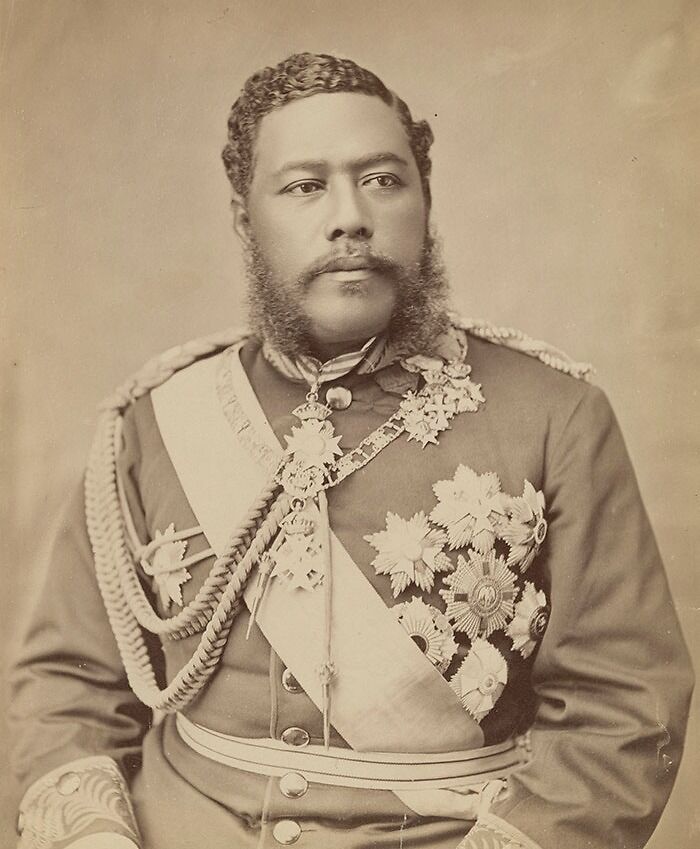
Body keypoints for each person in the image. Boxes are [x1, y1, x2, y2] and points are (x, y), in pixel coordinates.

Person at [10, 52, 693, 849]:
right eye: (305, 186)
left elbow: (623, 711)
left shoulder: (556, 415)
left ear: (425, 202)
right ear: (244, 218)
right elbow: (70, 688)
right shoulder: (153, 421)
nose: (351, 218)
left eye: (383, 179)